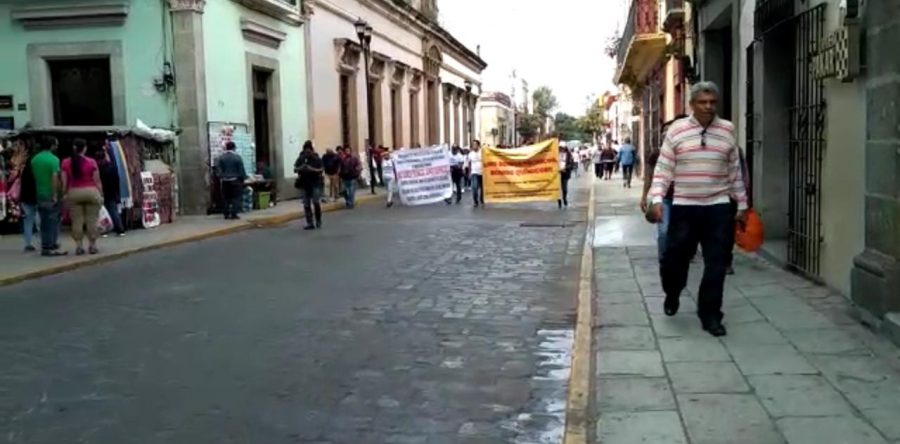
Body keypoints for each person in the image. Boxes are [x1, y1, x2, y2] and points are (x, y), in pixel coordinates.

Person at [646, 81, 748, 337]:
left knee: (716, 265)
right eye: (703, 102)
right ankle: (672, 292)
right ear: (691, 104)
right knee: (674, 262)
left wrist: (742, 204)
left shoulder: (727, 130)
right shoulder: (677, 131)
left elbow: (734, 170)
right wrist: (655, 199)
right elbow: (663, 169)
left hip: (718, 208)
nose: (708, 106)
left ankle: (710, 314)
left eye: (712, 102)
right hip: (684, 208)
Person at [641, 115, 689, 262]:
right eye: (664, 132)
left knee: (684, 231)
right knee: (664, 230)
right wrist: (644, 196)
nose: (667, 135)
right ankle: (664, 258)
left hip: (685, 199)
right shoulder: (655, 155)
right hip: (665, 199)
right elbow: (649, 177)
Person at [61, 139, 103, 255]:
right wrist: (101, 194)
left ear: (74, 147)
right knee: (92, 220)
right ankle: (92, 245)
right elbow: (97, 181)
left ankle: (79, 246)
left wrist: (64, 194)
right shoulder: (91, 162)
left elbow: (64, 182)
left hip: (74, 192)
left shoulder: (65, 162)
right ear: (85, 148)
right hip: (91, 192)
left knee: (77, 221)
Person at [31, 136, 66, 257]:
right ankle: (49, 246)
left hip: (39, 193)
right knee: (52, 221)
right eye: (55, 144)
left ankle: (48, 244)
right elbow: (54, 177)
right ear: (51, 145)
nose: (56, 147)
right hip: (50, 194)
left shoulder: (35, 159)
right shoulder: (54, 160)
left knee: (44, 221)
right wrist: (55, 194)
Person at [95, 147, 126, 237]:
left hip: (101, 191)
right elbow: (117, 180)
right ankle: (120, 229)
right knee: (113, 211)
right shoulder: (112, 167)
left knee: (101, 212)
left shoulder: (97, 168)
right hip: (112, 191)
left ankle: (104, 230)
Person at [294, 141, 324, 230]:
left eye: (309, 151)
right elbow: (295, 169)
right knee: (306, 204)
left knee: (315, 202)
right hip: (304, 183)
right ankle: (310, 222)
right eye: (306, 151)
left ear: (311, 150)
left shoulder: (317, 159)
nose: (307, 153)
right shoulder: (301, 158)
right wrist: (301, 167)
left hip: (315, 183)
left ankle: (318, 220)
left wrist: (312, 169)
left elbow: (321, 169)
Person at [215, 141, 248, 220]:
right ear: (234, 148)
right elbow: (241, 170)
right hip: (235, 180)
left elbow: (218, 170)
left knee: (226, 197)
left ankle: (226, 213)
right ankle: (234, 213)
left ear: (226, 148)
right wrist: (243, 178)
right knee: (236, 197)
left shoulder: (221, 157)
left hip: (225, 180)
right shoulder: (237, 157)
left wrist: (221, 176)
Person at [467, 140, 484, 207]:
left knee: (483, 188)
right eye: (473, 144)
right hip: (474, 173)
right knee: (474, 187)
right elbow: (469, 163)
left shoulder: (482, 152)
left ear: (478, 145)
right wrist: (469, 172)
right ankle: (475, 201)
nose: (474, 146)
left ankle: (482, 198)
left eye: (475, 144)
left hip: (482, 173)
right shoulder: (470, 154)